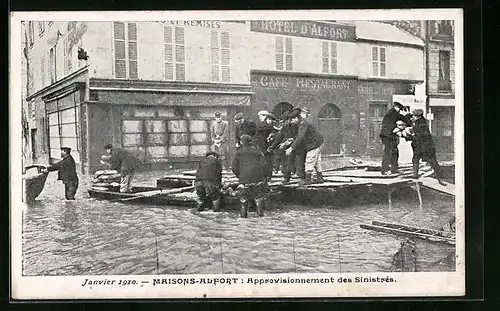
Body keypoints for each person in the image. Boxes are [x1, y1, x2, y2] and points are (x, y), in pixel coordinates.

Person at [232, 134, 269, 218]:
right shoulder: (258, 151)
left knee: (243, 198)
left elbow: (234, 167)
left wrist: (239, 175)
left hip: (244, 178)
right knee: (258, 197)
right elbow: (264, 165)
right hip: (257, 177)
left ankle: (243, 216)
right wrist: (265, 176)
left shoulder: (238, 153)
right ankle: (261, 216)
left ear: (241, 142)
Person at [286, 107, 325, 185]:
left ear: (297, 117)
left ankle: (308, 179)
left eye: (292, 119)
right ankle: (320, 177)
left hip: (314, 143)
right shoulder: (304, 122)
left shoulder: (303, 123)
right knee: (316, 161)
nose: (291, 121)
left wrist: (291, 148)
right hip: (318, 142)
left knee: (310, 160)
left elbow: (300, 137)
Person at [407, 109, 446, 186]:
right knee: (417, 159)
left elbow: (418, 136)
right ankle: (416, 176)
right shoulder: (419, 123)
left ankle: (440, 178)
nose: (413, 117)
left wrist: (408, 136)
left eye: (414, 116)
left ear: (418, 117)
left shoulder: (421, 125)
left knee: (432, 162)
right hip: (421, 146)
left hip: (425, 147)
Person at [379, 102, 411, 175]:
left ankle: (394, 169)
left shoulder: (392, 113)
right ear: (396, 107)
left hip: (389, 135)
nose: (399, 110)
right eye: (399, 109)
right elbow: (401, 117)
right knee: (388, 152)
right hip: (387, 136)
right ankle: (385, 169)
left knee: (394, 152)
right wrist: (408, 118)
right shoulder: (392, 113)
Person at [268, 109, 299, 184]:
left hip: (295, 146)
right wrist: (272, 146)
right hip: (288, 145)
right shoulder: (286, 126)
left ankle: (293, 176)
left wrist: (291, 140)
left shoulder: (295, 126)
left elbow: (299, 136)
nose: (286, 122)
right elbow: (280, 137)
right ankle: (286, 176)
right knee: (286, 161)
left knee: (292, 161)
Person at [254, 110, 277, 180]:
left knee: (268, 162)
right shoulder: (262, 126)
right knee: (266, 162)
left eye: (260, 116)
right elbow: (258, 137)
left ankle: (267, 176)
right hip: (263, 147)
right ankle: (266, 176)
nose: (259, 118)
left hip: (267, 147)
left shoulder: (268, 126)